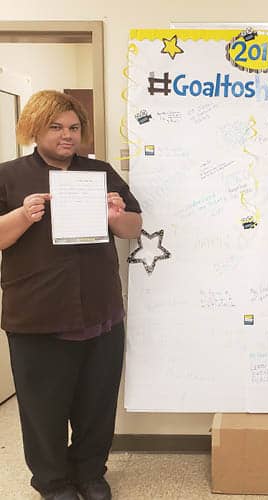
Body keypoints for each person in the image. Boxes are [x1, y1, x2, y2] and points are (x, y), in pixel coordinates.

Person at [0, 90, 142, 500]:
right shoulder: (9, 176)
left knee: (96, 405)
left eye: (74, 127)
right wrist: (22, 215)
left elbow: (134, 227)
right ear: (34, 129)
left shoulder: (100, 173)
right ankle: (52, 481)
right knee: (43, 409)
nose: (67, 135)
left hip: (101, 313)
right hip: (37, 316)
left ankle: (90, 474)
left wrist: (116, 217)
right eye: (56, 127)